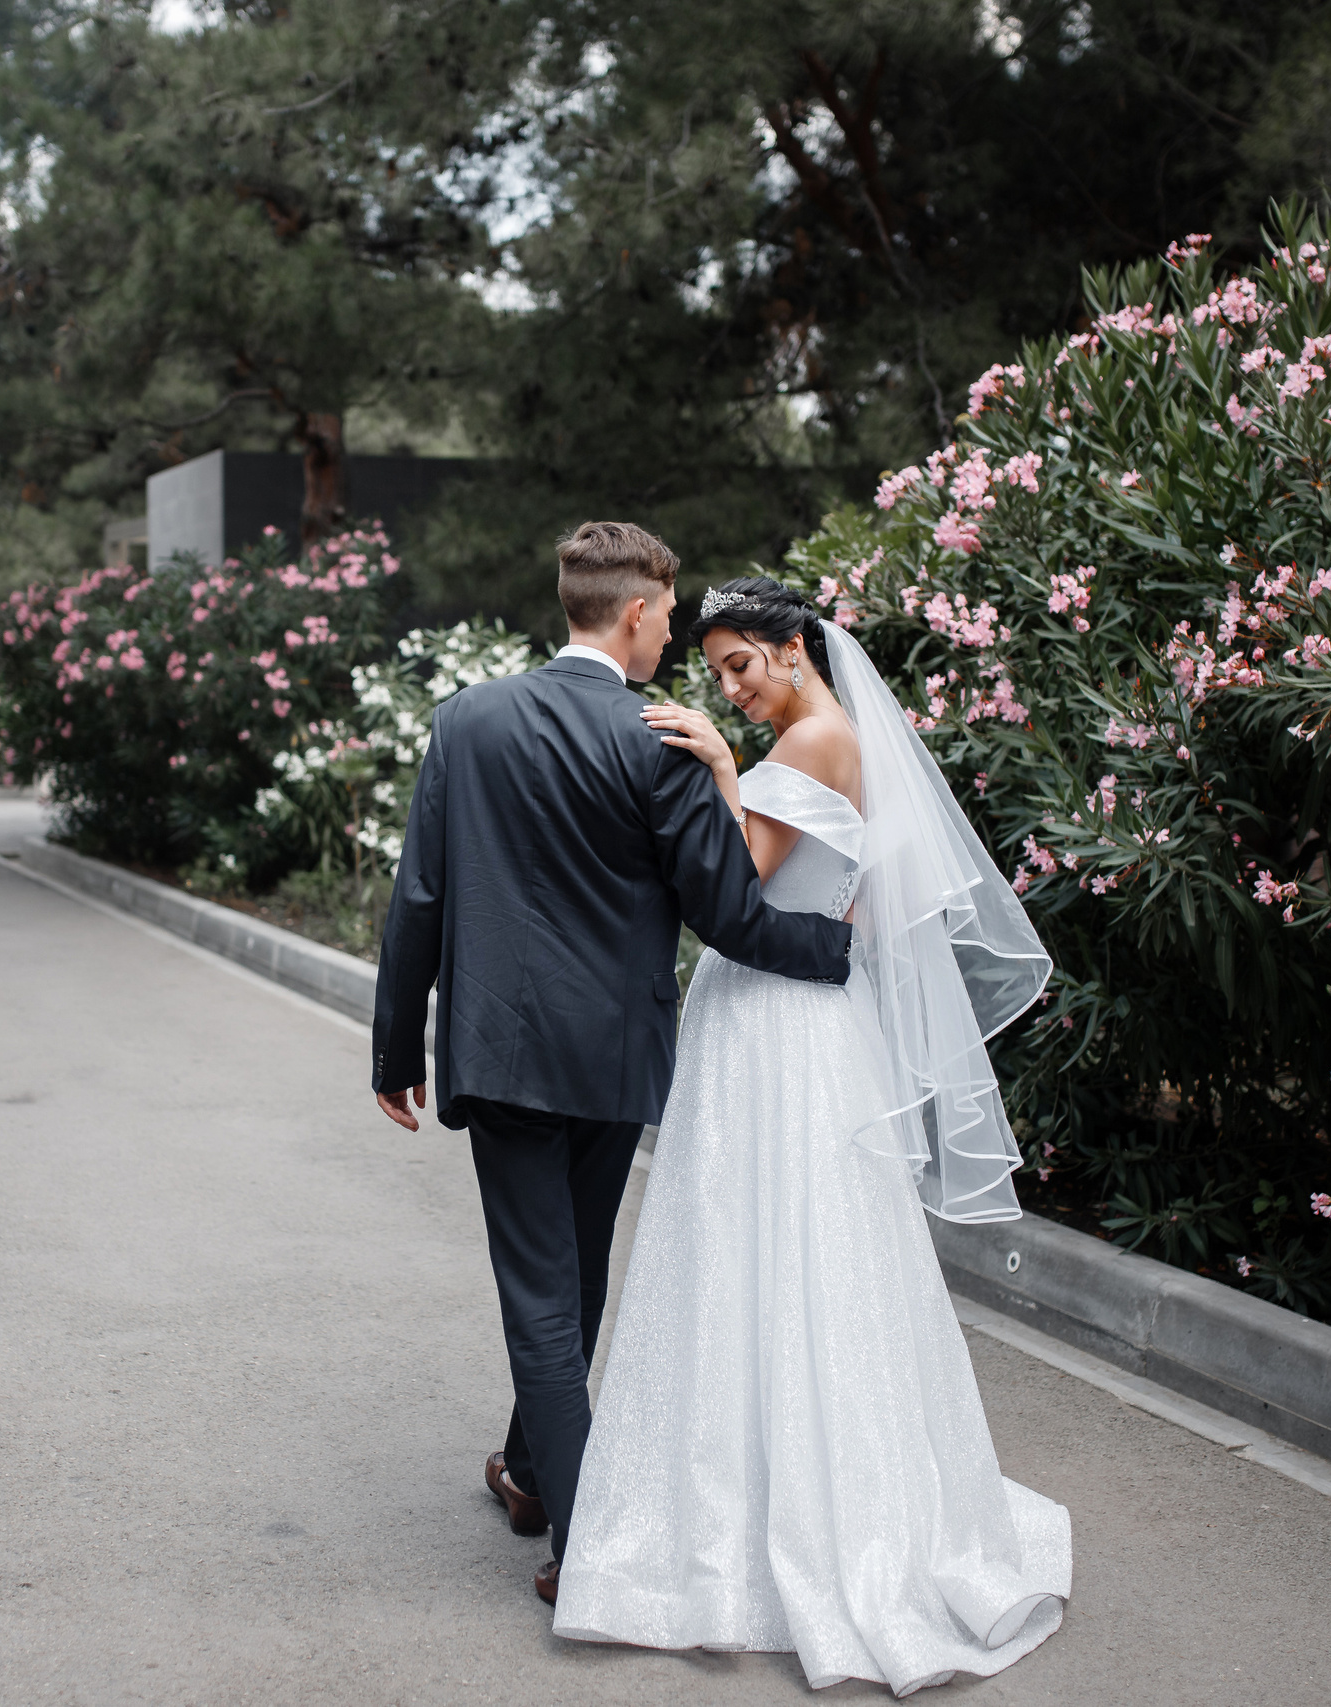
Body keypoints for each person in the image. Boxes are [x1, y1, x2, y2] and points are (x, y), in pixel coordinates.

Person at [553, 577, 1073, 1694]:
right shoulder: (841, 739)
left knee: (761, 1242)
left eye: (744, 664)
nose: (732, 689)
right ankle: (795, 1486)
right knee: (791, 1249)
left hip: (775, 1027)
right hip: (803, 1017)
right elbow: (859, 907)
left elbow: (735, 887)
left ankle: (774, 1523)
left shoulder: (806, 746)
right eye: (721, 671)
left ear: (796, 648)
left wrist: (725, 773)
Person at [371, 525, 854, 1608]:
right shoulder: (660, 739)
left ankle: (580, 1544)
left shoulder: (468, 720)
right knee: (572, 1274)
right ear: (634, 613)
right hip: (613, 1058)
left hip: (498, 1054)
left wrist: (397, 1047)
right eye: (671, 619)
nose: (674, 638)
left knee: (548, 1290)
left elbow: (421, 899)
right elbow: (729, 915)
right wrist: (844, 949)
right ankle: (536, 1481)